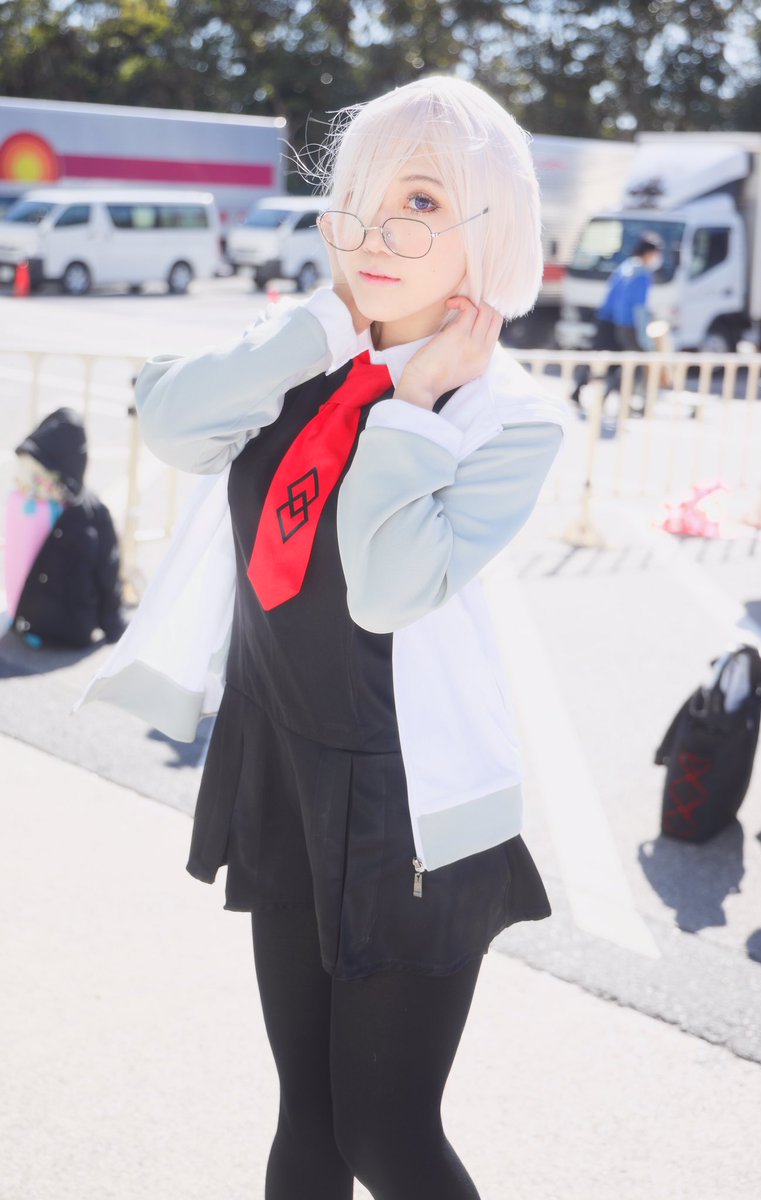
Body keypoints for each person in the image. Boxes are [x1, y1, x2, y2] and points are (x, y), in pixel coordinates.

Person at [87, 76, 566, 1199]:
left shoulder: (508, 415)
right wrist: (320, 324)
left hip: (405, 797)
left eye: (420, 202)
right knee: (305, 1120)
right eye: (356, 198)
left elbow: (389, 589)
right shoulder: (299, 350)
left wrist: (409, 405)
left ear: (492, 224)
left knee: (386, 1137)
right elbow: (171, 421)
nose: (375, 231)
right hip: (283, 752)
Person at [4, 407, 125, 647]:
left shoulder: (30, 505)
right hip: (65, 626)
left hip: (43, 624)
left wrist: (114, 626)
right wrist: (114, 627)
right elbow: (108, 571)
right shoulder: (86, 511)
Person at [571, 231, 664, 416]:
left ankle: (598, 397)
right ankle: (614, 400)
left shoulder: (627, 266)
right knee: (627, 364)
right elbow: (638, 307)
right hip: (622, 324)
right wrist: (641, 332)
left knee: (610, 363)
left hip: (608, 319)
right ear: (649, 253)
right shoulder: (641, 274)